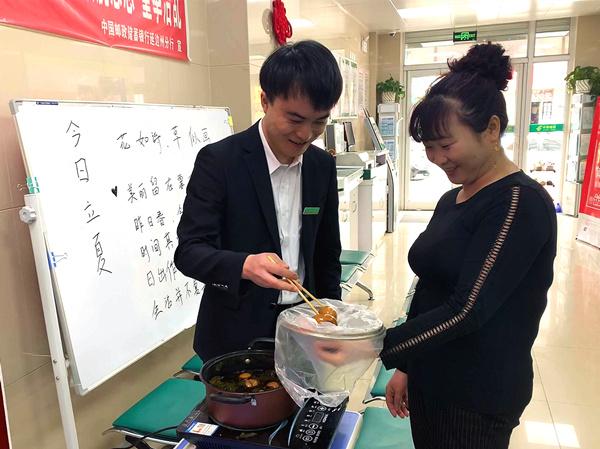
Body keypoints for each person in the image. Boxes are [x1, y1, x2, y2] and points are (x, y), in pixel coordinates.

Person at [379, 43, 558, 449]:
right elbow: (429, 288)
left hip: (476, 394)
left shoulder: (519, 203)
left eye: (446, 145)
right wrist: (406, 365)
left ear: (491, 130)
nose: (436, 158)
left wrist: (379, 344)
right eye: (429, 147)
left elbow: (468, 309)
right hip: (432, 376)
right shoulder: (453, 198)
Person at [174, 40, 343, 362]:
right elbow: (189, 252)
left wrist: (330, 318)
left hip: (305, 326)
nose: (306, 134)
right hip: (235, 335)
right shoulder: (220, 161)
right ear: (265, 100)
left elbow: (327, 253)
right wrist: (244, 265)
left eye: (319, 121)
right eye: (295, 119)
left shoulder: (321, 166)